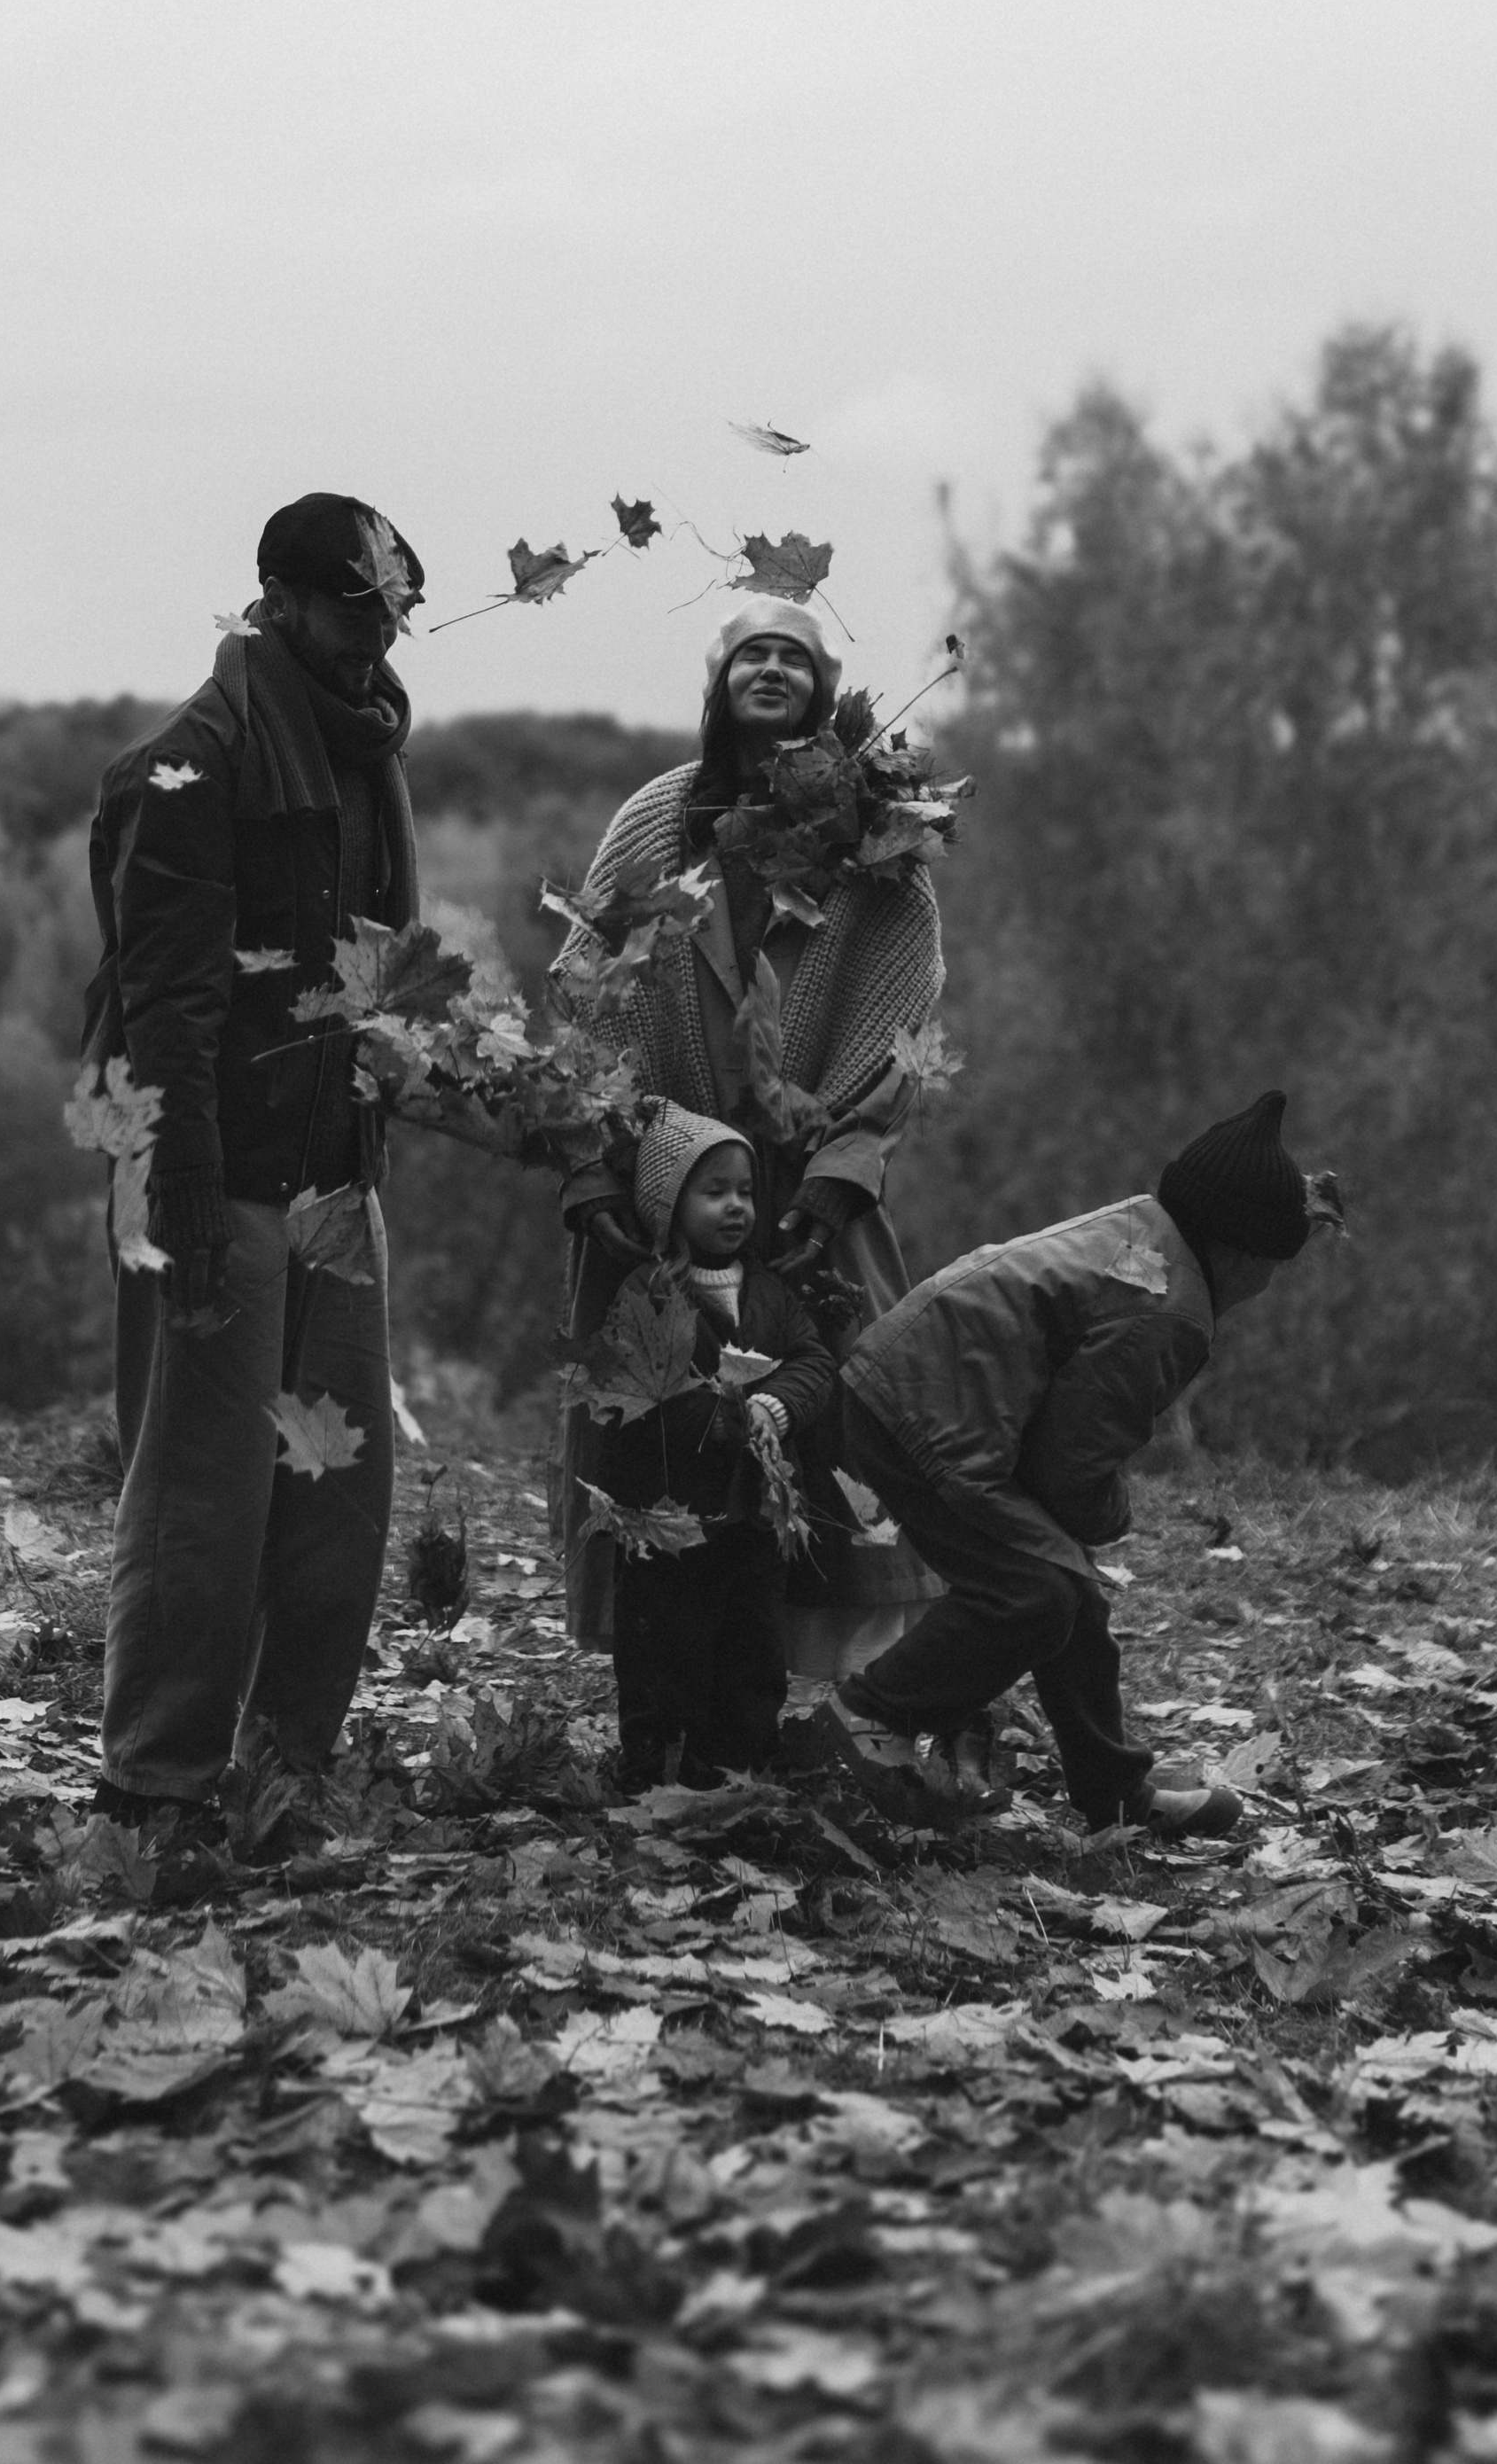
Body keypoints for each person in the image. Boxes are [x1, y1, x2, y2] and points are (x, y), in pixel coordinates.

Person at [79, 493, 425, 1829]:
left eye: (392, 608)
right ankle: (156, 1781)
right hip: (208, 1169)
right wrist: (184, 1202)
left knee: (337, 1495)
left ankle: (290, 1762)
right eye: (352, 606)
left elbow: (373, 967)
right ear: (276, 598)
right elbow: (169, 1007)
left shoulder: (366, 745)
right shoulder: (197, 762)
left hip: (337, 1167)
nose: (375, 631)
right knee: (201, 1497)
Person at [552, 597, 947, 1653]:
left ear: (824, 689)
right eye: (750, 654)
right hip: (662, 1177)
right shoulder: (655, 818)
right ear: (719, 682)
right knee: (657, 1421)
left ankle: (827, 1683)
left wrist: (839, 1168)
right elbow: (586, 986)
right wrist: (597, 1163)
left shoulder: (876, 837)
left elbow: (902, 1008)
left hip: (810, 1178)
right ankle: (669, 1674)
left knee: (841, 1407)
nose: (770, 670)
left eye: (794, 657)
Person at [811, 1091, 1345, 1837]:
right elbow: (1069, 1465)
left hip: (918, 1389)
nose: (1269, 1284)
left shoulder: (1145, 1229)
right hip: (924, 1412)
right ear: (1242, 1252)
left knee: (1071, 1589)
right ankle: (869, 1713)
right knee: (1038, 1593)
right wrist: (1108, 1513)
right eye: (1275, 1265)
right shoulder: (1170, 1312)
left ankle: (1111, 1790)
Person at [588, 1105, 838, 1789]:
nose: (736, 1207)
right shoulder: (648, 1293)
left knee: (753, 1645)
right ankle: (656, 1767)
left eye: (746, 1192)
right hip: (668, 1521)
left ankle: (738, 1765)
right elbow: (642, 1396)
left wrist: (773, 1405)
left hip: (754, 1518)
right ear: (670, 1206)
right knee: (665, 1644)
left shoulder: (770, 1291)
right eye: (715, 1191)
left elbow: (814, 1361)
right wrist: (725, 1417)